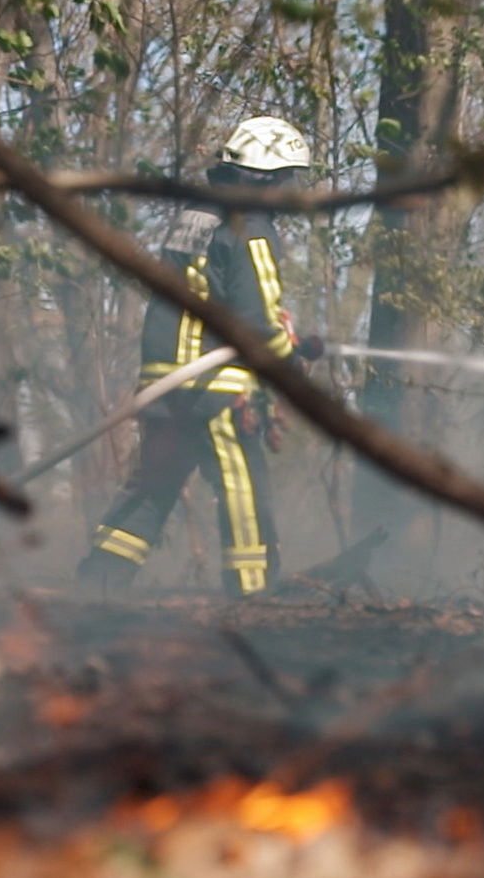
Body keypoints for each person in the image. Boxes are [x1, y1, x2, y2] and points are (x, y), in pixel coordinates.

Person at [76, 115, 315, 596]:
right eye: (288, 178)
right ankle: (254, 593)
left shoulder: (197, 217)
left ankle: (99, 581)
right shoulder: (251, 226)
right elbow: (255, 317)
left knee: (154, 488)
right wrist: (286, 357)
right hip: (215, 387)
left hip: (166, 385)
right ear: (266, 180)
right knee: (244, 493)